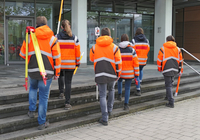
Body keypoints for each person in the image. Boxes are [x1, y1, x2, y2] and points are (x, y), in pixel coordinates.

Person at [20, 16, 61, 130]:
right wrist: (57, 72)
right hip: (46, 72)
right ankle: (41, 123)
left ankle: (31, 111)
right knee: (43, 97)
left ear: (36, 25)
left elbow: (23, 54)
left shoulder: (30, 37)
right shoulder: (52, 39)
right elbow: (57, 58)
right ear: (46, 24)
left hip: (33, 70)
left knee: (33, 89)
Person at [90, 27, 122, 126]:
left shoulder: (94, 47)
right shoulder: (114, 47)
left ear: (101, 35)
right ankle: (110, 110)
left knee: (103, 95)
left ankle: (105, 118)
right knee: (111, 90)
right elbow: (119, 62)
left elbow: (92, 59)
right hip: (112, 73)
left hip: (100, 73)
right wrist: (118, 74)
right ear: (109, 35)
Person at [56, 19, 81, 110]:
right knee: (68, 82)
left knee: (60, 77)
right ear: (69, 26)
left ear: (62, 27)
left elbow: (54, 51)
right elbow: (77, 53)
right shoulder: (74, 38)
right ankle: (67, 103)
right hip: (71, 64)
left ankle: (61, 92)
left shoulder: (57, 37)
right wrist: (77, 63)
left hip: (60, 63)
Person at [157, 35, 183, 108]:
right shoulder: (178, 49)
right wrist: (180, 69)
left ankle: (171, 102)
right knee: (170, 83)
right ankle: (168, 96)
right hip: (175, 69)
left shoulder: (163, 49)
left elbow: (159, 60)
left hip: (166, 68)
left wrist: (159, 68)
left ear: (167, 40)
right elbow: (181, 60)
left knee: (168, 85)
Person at [117, 34, 139, 110]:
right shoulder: (132, 50)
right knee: (127, 88)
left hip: (120, 72)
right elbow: (136, 63)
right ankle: (126, 105)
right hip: (129, 73)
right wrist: (136, 74)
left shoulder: (118, 50)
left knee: (119, 82)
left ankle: (119, 95)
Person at [131, 27, 150, 96]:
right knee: (141, 70)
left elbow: (132, 50)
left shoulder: (134, 41)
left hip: (136, 60)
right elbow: (148, 49)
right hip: (144, 59)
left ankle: (138, 89)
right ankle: (140, 82)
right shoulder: (146, 40)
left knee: (136, 73)